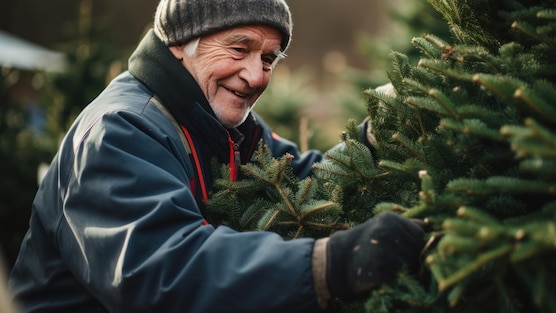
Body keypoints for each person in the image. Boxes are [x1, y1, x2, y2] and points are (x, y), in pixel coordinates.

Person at [8, 0, 425, 312]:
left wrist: (372, 140)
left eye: (268, 58)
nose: (257, 75)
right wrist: (329, 265)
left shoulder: (222, 123)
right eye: (238, 49)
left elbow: (293, 181)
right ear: (179, 43)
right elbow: (165, 271)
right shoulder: (120, 130)